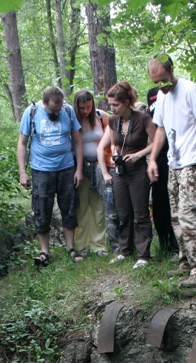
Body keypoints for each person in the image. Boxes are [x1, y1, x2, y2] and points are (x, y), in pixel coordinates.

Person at [147, 56, 196, 288]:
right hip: (173, 163)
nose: (161, 87)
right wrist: (153, 159)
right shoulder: (162, 98)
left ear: (171, 69)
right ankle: (185, 261)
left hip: (192, 162)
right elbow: (161, 130)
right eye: (156, 83)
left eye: (163, 81)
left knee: (190, 216)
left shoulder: (189, 90)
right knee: (176, 216)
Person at [17, 86, 84, 267]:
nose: (57, 112)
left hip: (67, 168)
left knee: (69, 207)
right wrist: (23, 172)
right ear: (44, 102)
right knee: (42, 210)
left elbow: (77, 141)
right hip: (41, 170)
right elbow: (22, 143)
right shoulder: (31, 113)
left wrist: (79, 169)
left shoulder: (68, 111)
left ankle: (71, 248)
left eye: (59, 108)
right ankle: (45, 252)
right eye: (54, 109)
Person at [97, 81, 156, 268]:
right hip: (120, 172)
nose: (112, 109)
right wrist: (115, 154)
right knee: (123, 212)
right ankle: (125, 250)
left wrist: (138, 155)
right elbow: (114, 142)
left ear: (126, 102)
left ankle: (143, 254)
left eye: (116, 105)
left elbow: (156, 142)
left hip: (138, 170)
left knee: (140, 212)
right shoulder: (113, 121)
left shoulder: (143, 118)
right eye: (110, 105)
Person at [72, 90, 109, 256]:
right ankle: (81, 245)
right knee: (81, 206)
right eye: (82, 108)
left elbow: (111, 138)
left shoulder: (102, 116)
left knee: (98, 207)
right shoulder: (73, 119)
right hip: (80, 167)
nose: (85, 111)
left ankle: (98, 244)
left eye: (88, 106)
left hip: (98, 166)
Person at [146, 85, 179, 256]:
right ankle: (165, 245)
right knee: (159, 204)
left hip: (176, 156)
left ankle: (177, 246)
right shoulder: (152, 95)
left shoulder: (180, 94)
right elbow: (156, 128)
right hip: (158, 158)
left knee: (173, 202)